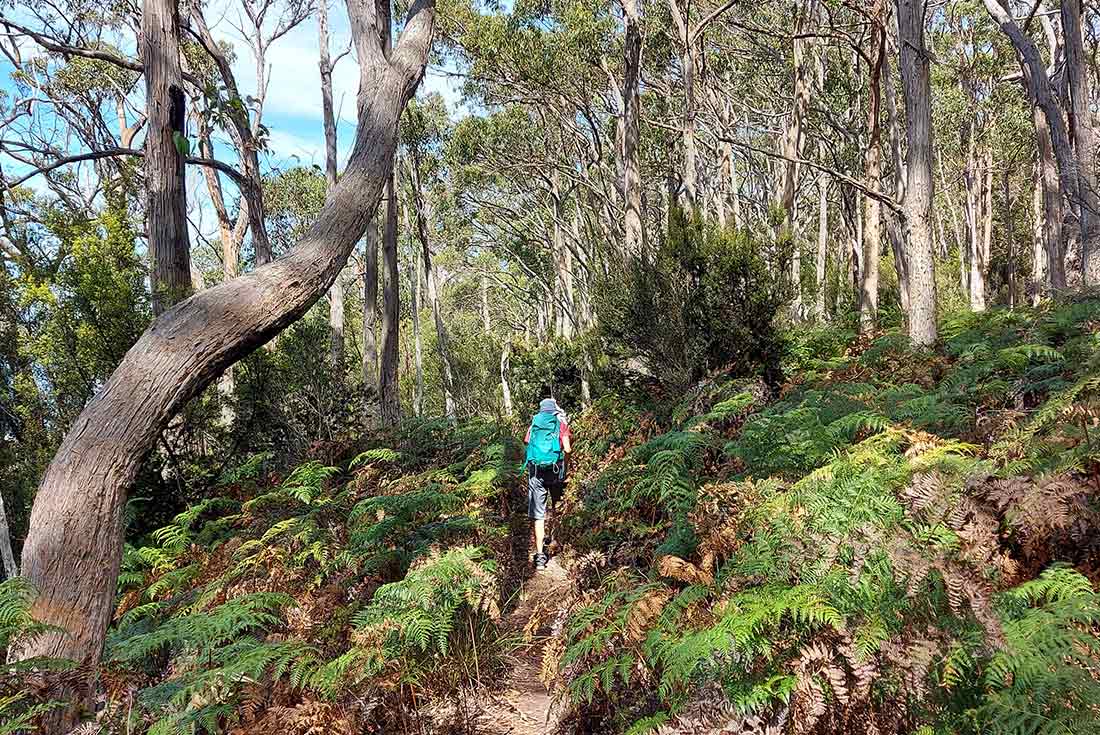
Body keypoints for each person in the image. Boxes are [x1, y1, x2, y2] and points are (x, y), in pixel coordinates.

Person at [524, 397, 571, 570]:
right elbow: (567, 449)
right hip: (556, 471)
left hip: (537, 473)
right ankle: (554, 540)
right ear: (555, 409)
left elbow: (527, 443)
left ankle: (540, 557)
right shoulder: (560, 423)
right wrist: (565, 467)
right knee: (557, 505)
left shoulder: (534, 424)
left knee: (538, 514)